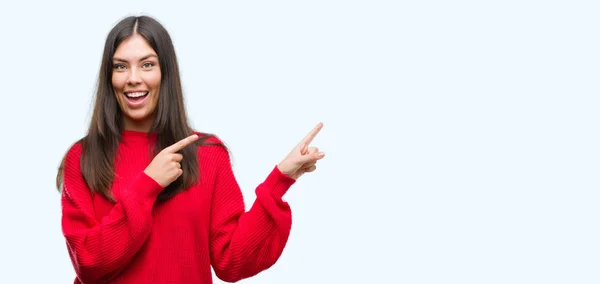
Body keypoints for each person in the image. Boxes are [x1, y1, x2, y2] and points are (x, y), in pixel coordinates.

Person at [55, 15, 325, 284]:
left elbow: (231, 261)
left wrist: (280, 180)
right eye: (121, 67)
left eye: (147, 64)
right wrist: (148, 184)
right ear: (109, 76)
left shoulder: (207, 153)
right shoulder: (83, 158)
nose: (133, 78)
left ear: (165, 73)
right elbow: (87, 262)